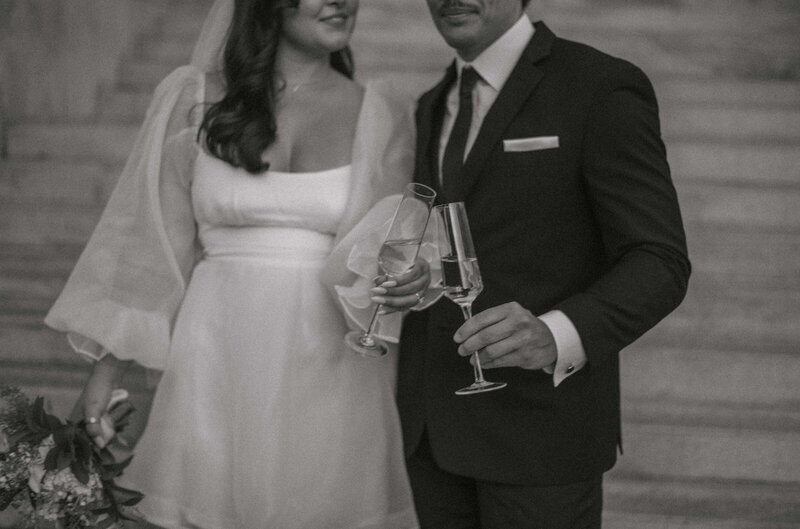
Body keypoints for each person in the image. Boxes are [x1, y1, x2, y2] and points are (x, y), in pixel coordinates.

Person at [44, 0, 428, 527]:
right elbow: (150, 248)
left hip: (334, 358)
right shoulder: (193, 96)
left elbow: (393, 249)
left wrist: (409, 273)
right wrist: (105, 372)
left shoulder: (383, 110)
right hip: (216, 350)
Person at [397, 0, 691, 527]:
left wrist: (556, 334)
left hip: (542, 436)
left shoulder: (599, 85)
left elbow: (659, 259)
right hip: (431, 436)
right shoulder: (430, 104)